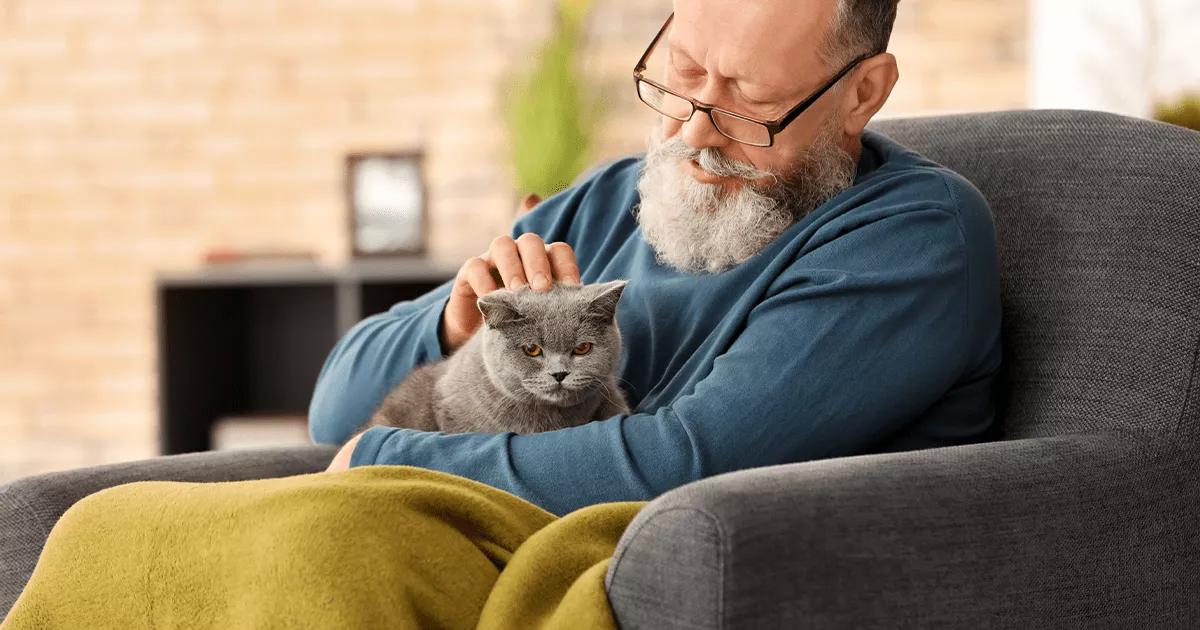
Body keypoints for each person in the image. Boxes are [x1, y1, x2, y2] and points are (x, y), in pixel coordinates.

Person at [316, 0, 1003, 518]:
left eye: (751, 99)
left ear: (863, 94)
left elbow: (690, 466)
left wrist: (387, 458)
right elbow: (333, 409)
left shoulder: (911, 238)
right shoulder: (613, 197)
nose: (696, 129)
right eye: (684, 72)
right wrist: (457, 332)